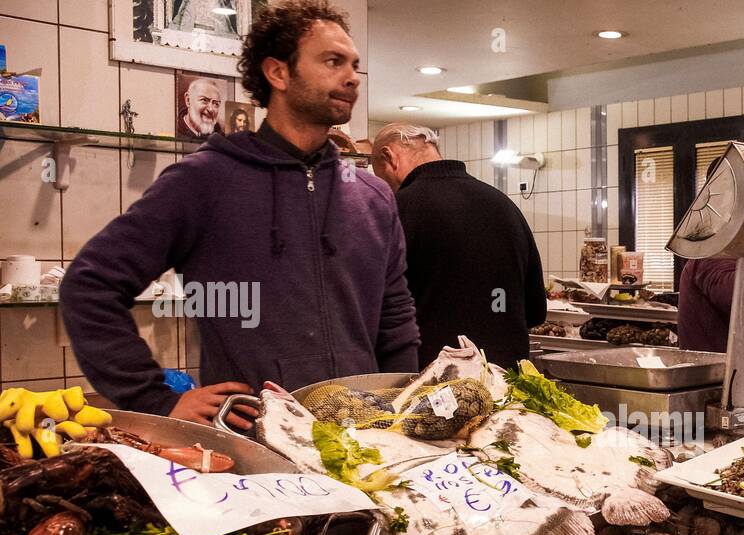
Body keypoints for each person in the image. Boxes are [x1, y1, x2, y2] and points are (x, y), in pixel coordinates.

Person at [60, 0, 419, 427]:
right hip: (256, 444)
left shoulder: (372, 196)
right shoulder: (205, 181)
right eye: (332, 61)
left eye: (354, 65)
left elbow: (395, 319)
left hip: (366, 438)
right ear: (278, 72)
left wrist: (402, 410)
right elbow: (90, 287)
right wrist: (155, 399)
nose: (350, 78)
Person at [370, 123, 546, 368]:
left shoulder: (395, 210)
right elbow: (536, 310)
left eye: (382, 177)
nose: (388, 187)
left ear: (389, 157)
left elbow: (374, 311)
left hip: (432, 384)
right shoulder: (503, 205)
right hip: (507, 379)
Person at [177, 76, 226, 142]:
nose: (211, 109)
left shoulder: (221, 138)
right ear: (188, 100)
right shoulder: (174, 130)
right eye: (204, 100)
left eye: (216, 104)